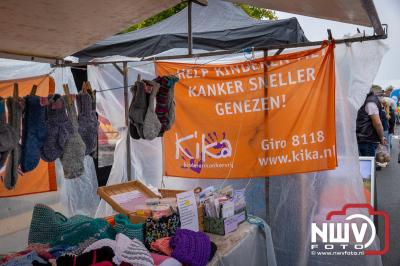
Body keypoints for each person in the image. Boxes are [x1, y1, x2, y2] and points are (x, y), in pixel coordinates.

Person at [356, 90, 387, 156]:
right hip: (366, 139)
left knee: (366, 164)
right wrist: (381, 137)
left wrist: (381, 137)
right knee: (366, 164)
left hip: (365, 139)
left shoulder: (369, 102)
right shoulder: (368, 100)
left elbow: (377, 123)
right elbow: (377, 123)